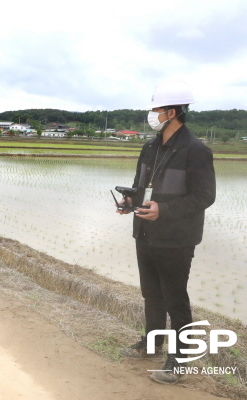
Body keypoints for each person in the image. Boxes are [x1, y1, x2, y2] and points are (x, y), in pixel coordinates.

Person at [117, 81, 216, 385]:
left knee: (175, 297)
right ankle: (151, 343)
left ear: (171, 112)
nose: (152, 114)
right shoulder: (149, 147)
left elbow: (204, 196)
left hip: (176, 238)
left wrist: (165, 210)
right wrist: (129, 202)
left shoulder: (196, 150)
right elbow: (140, 184)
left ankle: (179, 359)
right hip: (145, 232)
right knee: (151, 293)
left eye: (156, 110)